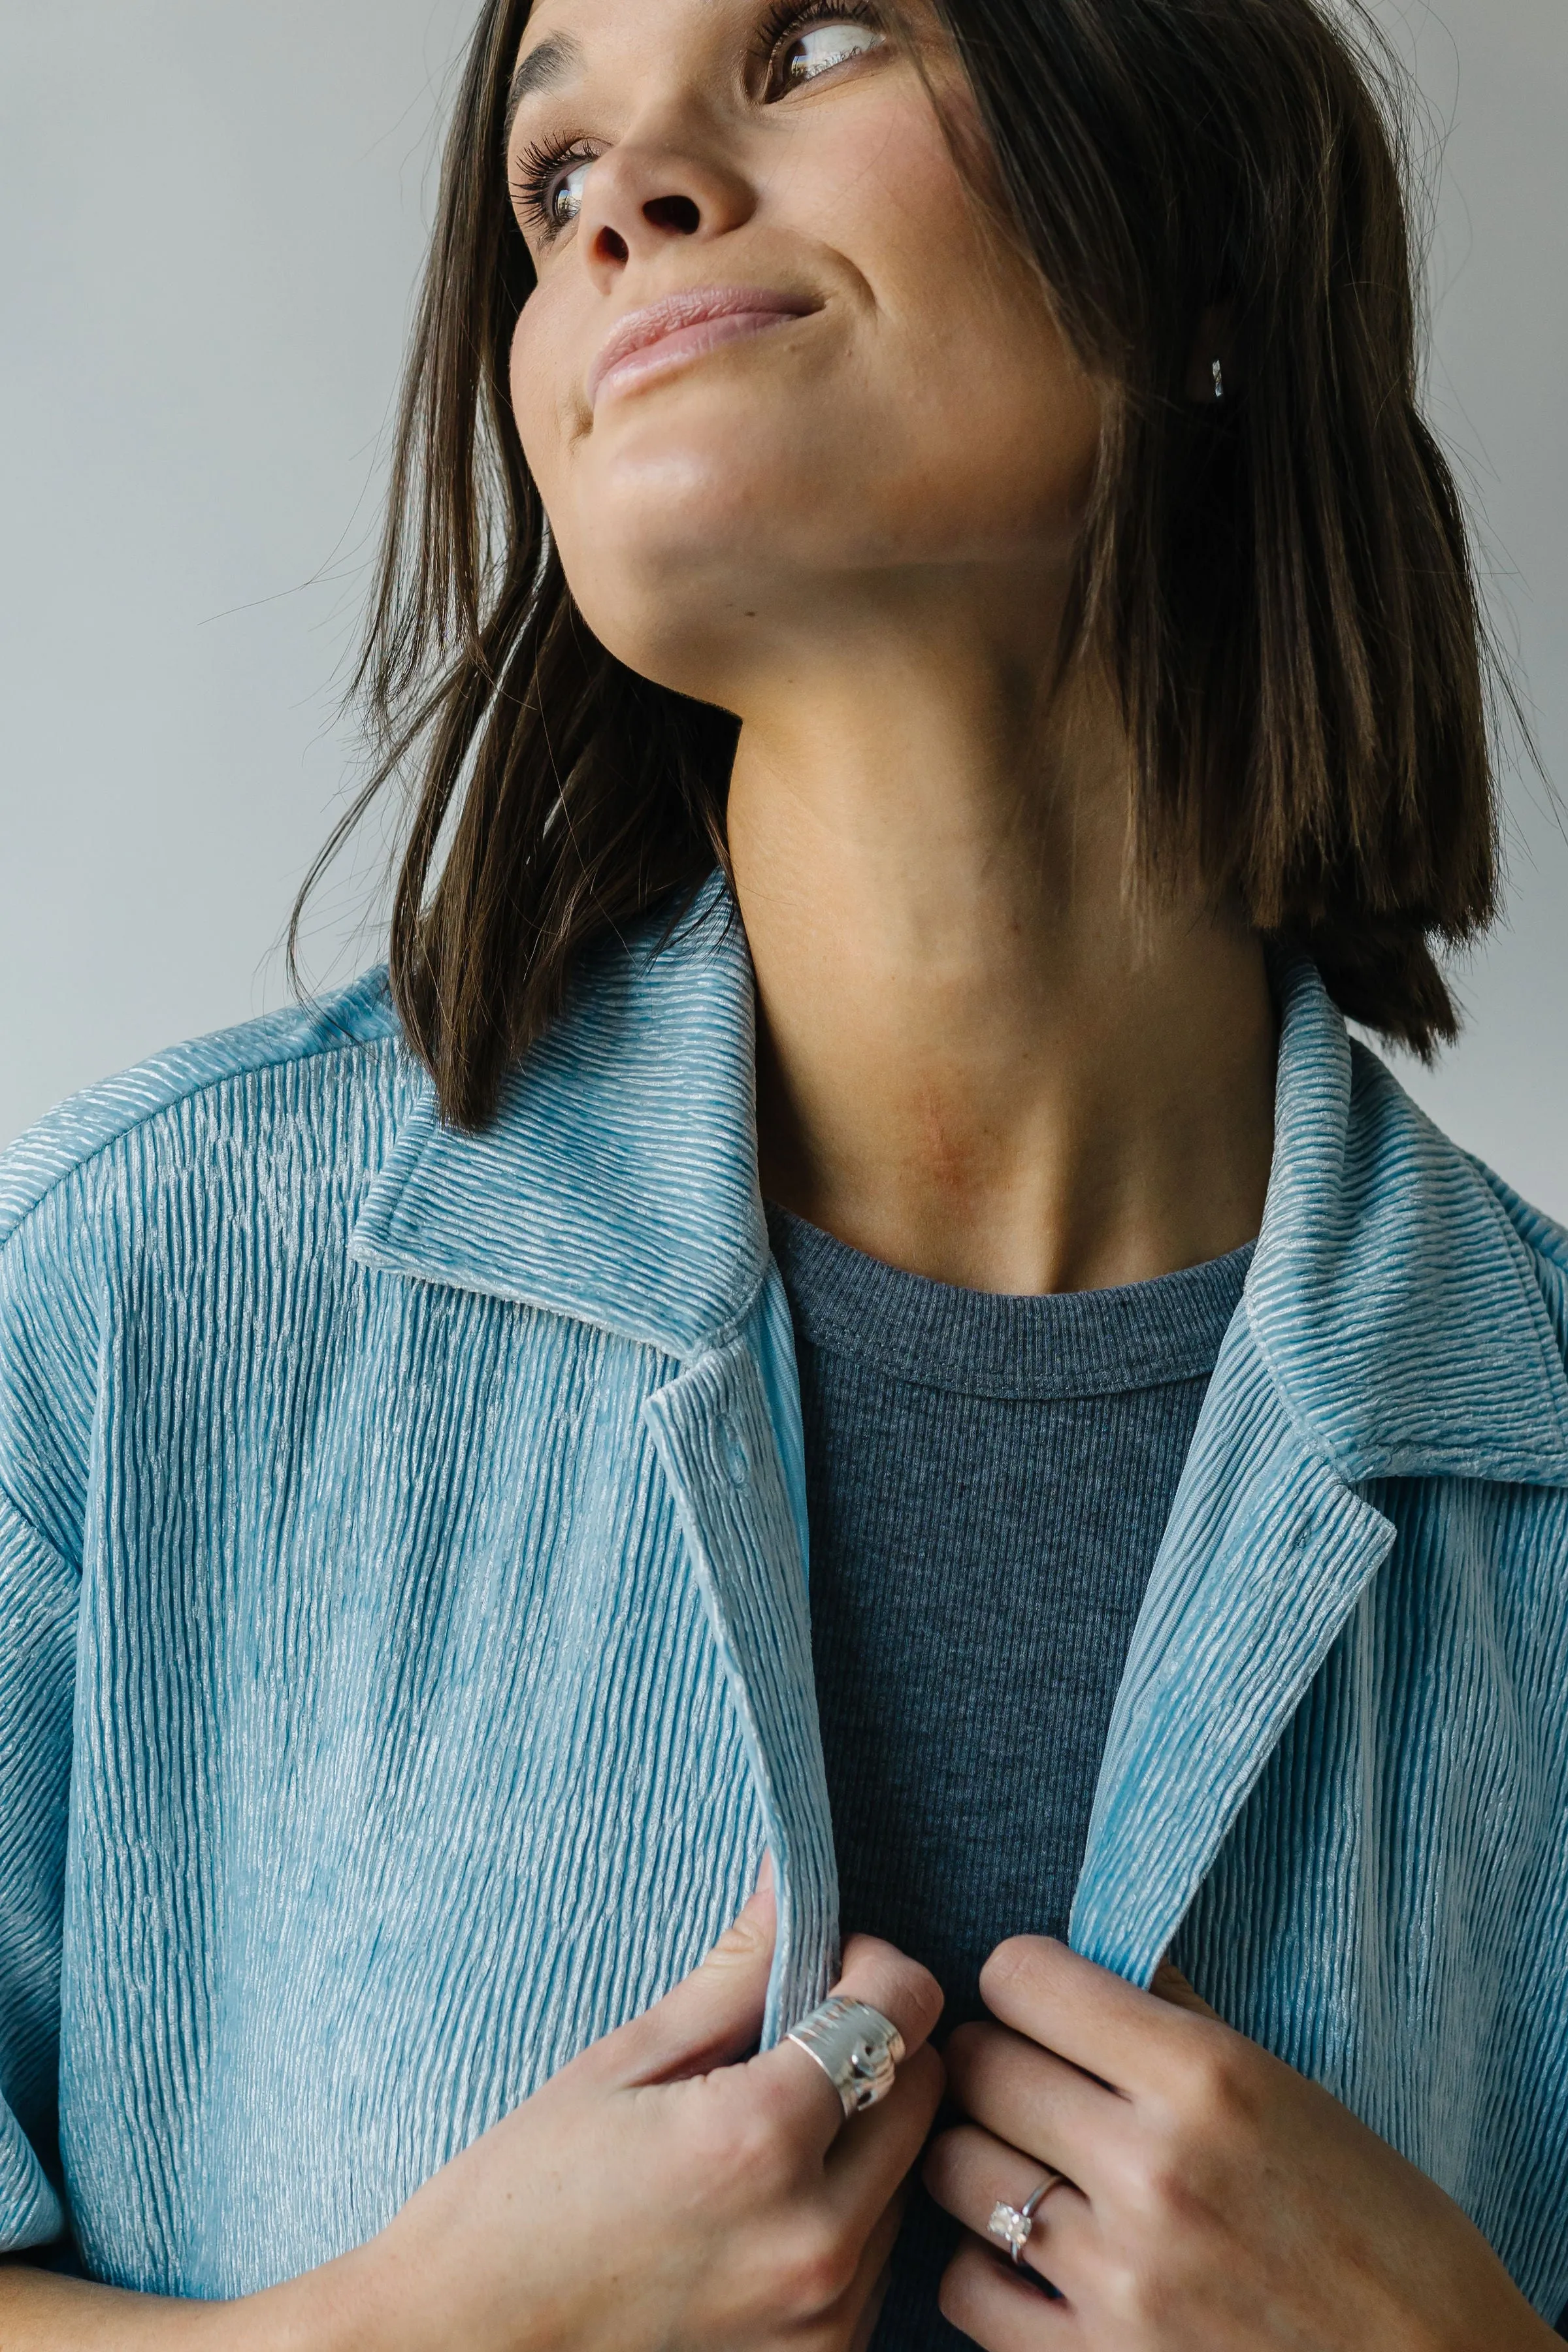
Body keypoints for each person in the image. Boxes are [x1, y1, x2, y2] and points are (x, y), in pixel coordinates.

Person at [0, 0, 1564, 2344]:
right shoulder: (130, 1300)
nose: (626, 190)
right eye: (553, 178)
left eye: (814, 39)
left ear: (1203, 229)